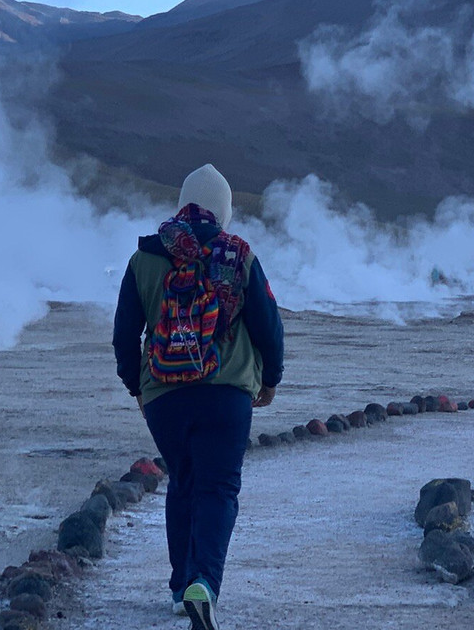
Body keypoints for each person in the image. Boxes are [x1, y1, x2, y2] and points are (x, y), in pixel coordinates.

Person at [113, 164, 284, 630]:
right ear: (224, 210)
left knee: (183, 479)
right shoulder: (239, 255)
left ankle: (178, 586)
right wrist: (270, 379)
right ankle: (203, 583)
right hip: (227, 394)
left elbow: (124, 334)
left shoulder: (145, 256)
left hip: (164, 396)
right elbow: (269, 326)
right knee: (218, 486)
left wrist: (138, 387)